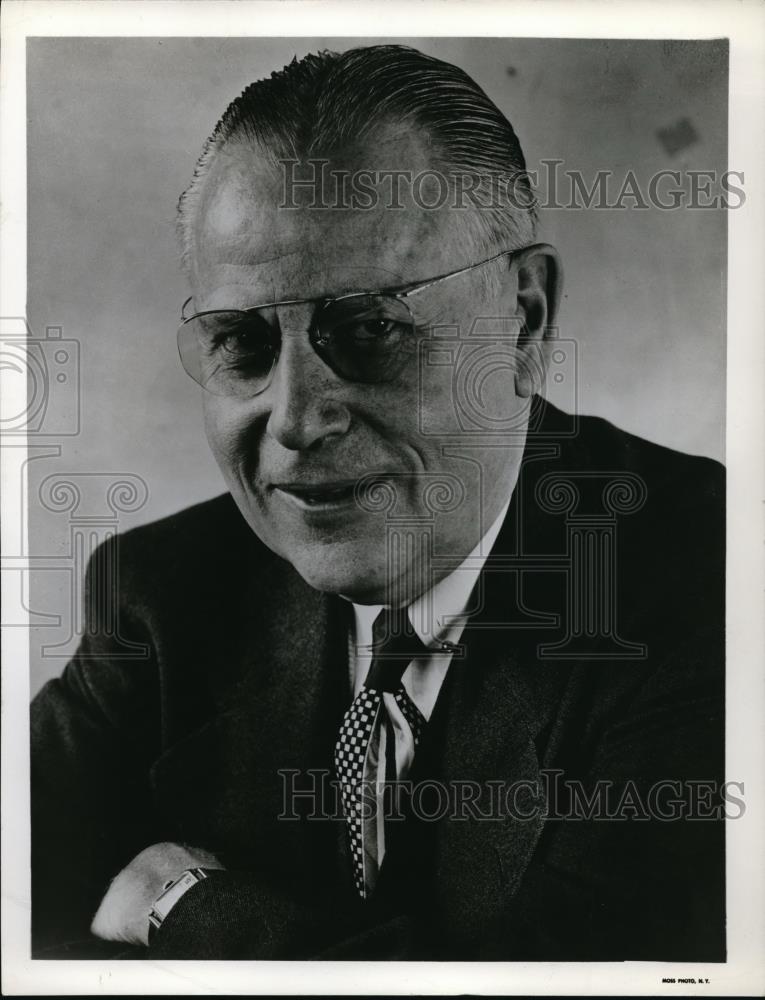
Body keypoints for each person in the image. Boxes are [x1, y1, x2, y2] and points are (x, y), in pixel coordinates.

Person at [30, 44, 725, 961]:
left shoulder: (714, 580)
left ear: (523, 319)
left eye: (367, 329)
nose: (295, 420)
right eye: (242, 342)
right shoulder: (161, 597)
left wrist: (182, 904)